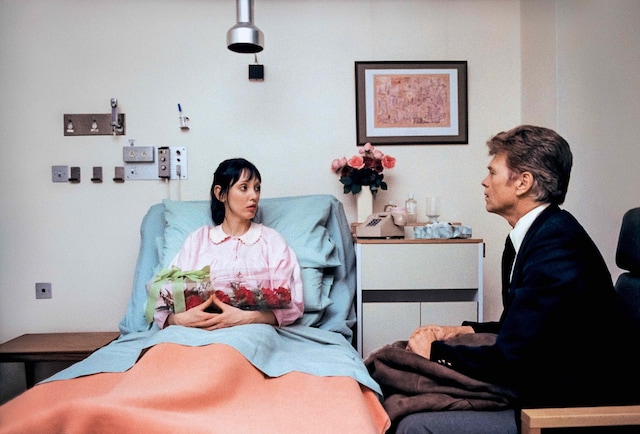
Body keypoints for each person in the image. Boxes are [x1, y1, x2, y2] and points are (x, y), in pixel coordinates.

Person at [407, 125, 639, 411]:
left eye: (492, 173)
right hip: (548, 380)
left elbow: (514, 359)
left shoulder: (556, 245)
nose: (484, 182)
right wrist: (462, 330)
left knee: (415, 418)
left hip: (571, 404)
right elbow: (527, 329)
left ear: (523, 183)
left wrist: (434, 353)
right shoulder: (535, 235)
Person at [154, 158, 304, 330]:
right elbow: (164, 298)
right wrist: (178, 320)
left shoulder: (271, 241)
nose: (254, 196)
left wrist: (247, 318)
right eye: (244, 187)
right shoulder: (197, 241)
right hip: (195, 331)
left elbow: (293, 303)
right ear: (221, 194)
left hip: (251, 331)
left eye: (257, 188)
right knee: (165, 348)